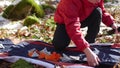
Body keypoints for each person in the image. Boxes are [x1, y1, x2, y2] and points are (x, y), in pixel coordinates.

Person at [52, 0, 118, 67]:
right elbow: (73, 27)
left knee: (98, 11)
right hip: (65, 21)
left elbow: (102, 11)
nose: (98, 1)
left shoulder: (97, 1)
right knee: (59, 45)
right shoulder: (69, 2)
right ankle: (86, 48)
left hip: (83, 17)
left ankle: (90, 42)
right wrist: (85, 49)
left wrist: (112, 24)